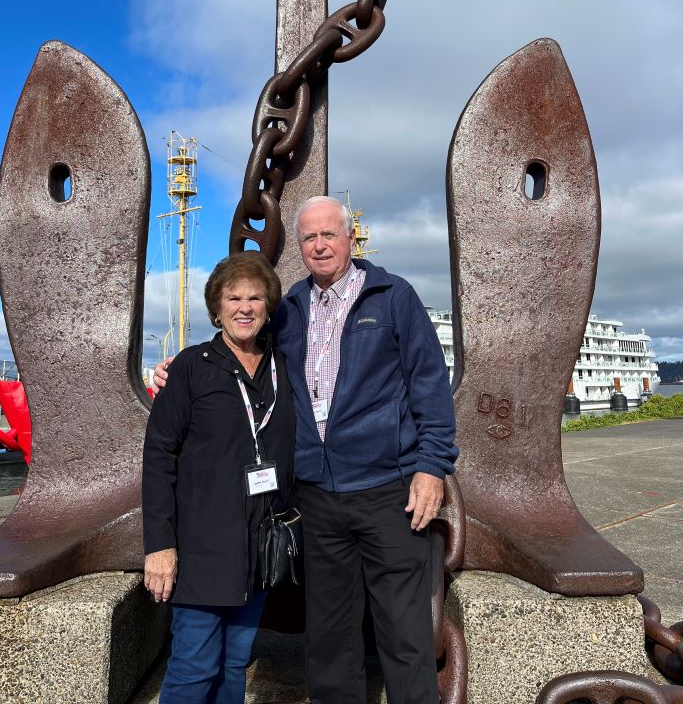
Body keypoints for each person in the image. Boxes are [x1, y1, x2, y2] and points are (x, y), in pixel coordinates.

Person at [154, 196, 458, 704]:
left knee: (404, 634)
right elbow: (239, 339)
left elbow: (430, 385)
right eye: (309, 238)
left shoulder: (392, 297)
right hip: (316, 498)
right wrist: (180, 369)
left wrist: (431, 466)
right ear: (300, 247)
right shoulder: (290, 308)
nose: (319, 245)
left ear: (350, 238)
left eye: (329, 235)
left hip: (388, 490)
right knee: (330, 636)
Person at [142, 252, 295, 704]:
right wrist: (159, 546)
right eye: (234, 298)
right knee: (193, 667)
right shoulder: (191, 368)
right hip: (202, 547)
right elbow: (158, 457)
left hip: (259, 547)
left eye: (255, 297)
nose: (244, 307)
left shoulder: (283, 368)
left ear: (268, 307)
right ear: (217, 308)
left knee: (234, 664)